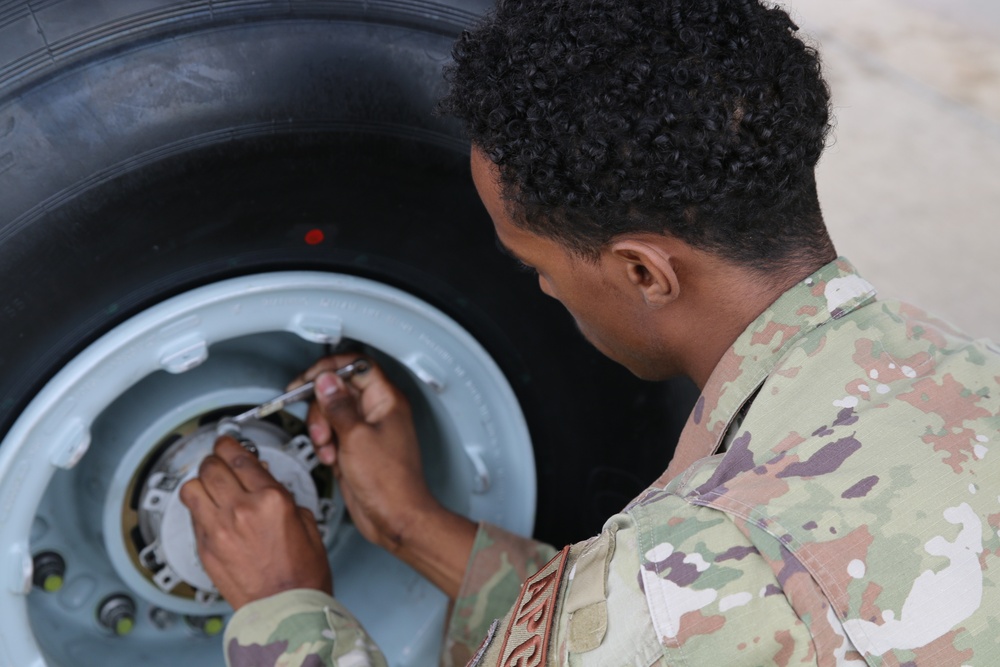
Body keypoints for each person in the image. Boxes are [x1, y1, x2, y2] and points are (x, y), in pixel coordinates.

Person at [180, 0, 1000, 665]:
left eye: (533, 260)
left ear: (645, 272)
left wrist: (283, 605)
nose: (538, 287)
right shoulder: (969, 376)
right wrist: (409, 525)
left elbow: (668, 621)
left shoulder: (682, 576)